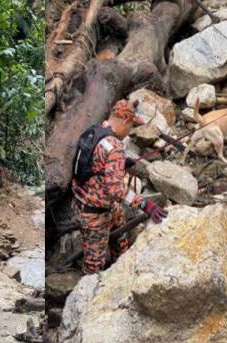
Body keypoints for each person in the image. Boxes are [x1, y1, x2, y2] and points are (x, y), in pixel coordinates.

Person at [72, 99, 168, 274]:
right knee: (94, 266)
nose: (129, 131)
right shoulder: (114, 146)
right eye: (130, 126)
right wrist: (144, 204)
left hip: (83, 202)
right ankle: (89, 293)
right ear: (125, 121)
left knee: (118, 218)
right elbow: (115, 190)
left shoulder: (95, 131)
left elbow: (96, 163)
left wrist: (121, 162)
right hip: (94, 214)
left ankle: (121, 264)